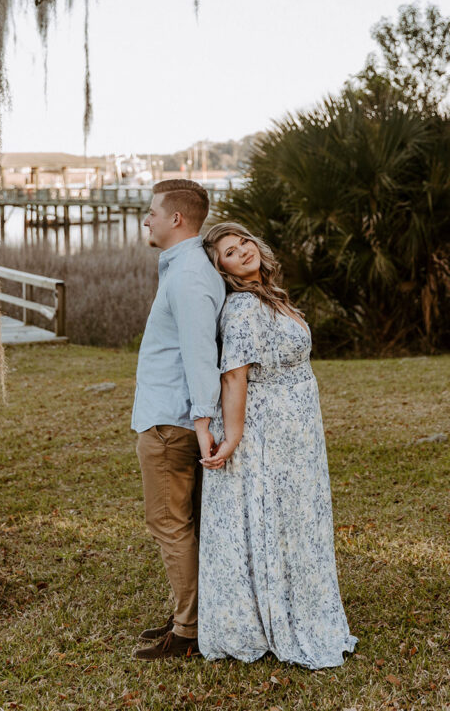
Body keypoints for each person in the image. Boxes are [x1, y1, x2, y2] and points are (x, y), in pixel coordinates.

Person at [198, 222, 357, 669]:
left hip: (297, 433)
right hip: (268, 434)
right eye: (230, 251)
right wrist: (232, 438)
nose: (243, 251)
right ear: (222, 268)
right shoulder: (244, 307)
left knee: (299, 519)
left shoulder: (270, 295)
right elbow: (234, 376)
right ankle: (270, 617)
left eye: (244, 241)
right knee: (277, 519)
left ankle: (302, 604)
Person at [131, 180, 225, 660]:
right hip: (170, 416)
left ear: (176, 219)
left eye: (151, 212)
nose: (145, 219)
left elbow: (198, 354)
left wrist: (202, 418)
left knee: (168, 523)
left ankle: (189, 631)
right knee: (182, 523)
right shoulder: (186, 268)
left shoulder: (188, 274)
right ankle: (189, 615)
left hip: (171, 423)